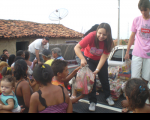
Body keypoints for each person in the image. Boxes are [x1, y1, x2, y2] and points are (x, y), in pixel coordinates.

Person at [74, 23, 114, 111]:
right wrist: (82, 58)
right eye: (99, 33)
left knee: (104, 79)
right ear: (96, 31)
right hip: (89, 59)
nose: (101, 36)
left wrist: (97, 70)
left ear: (108, 34)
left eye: (104, 35)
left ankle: (108, 96)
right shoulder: (91, 36)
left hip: (101, 61)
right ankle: (92, 101)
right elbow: (77, 47)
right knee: (92, 80)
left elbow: (104, 56)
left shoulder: (109, 41)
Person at [123, 0, 150, 112]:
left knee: (146, 80)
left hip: (149, 55)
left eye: (145, 10)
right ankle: (132, 104)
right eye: (141, 10)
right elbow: (132, 36)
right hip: (137, 53)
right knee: (134, 80)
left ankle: (145, 103)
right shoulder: (137, 20)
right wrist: (127, 51)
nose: (143, 12)